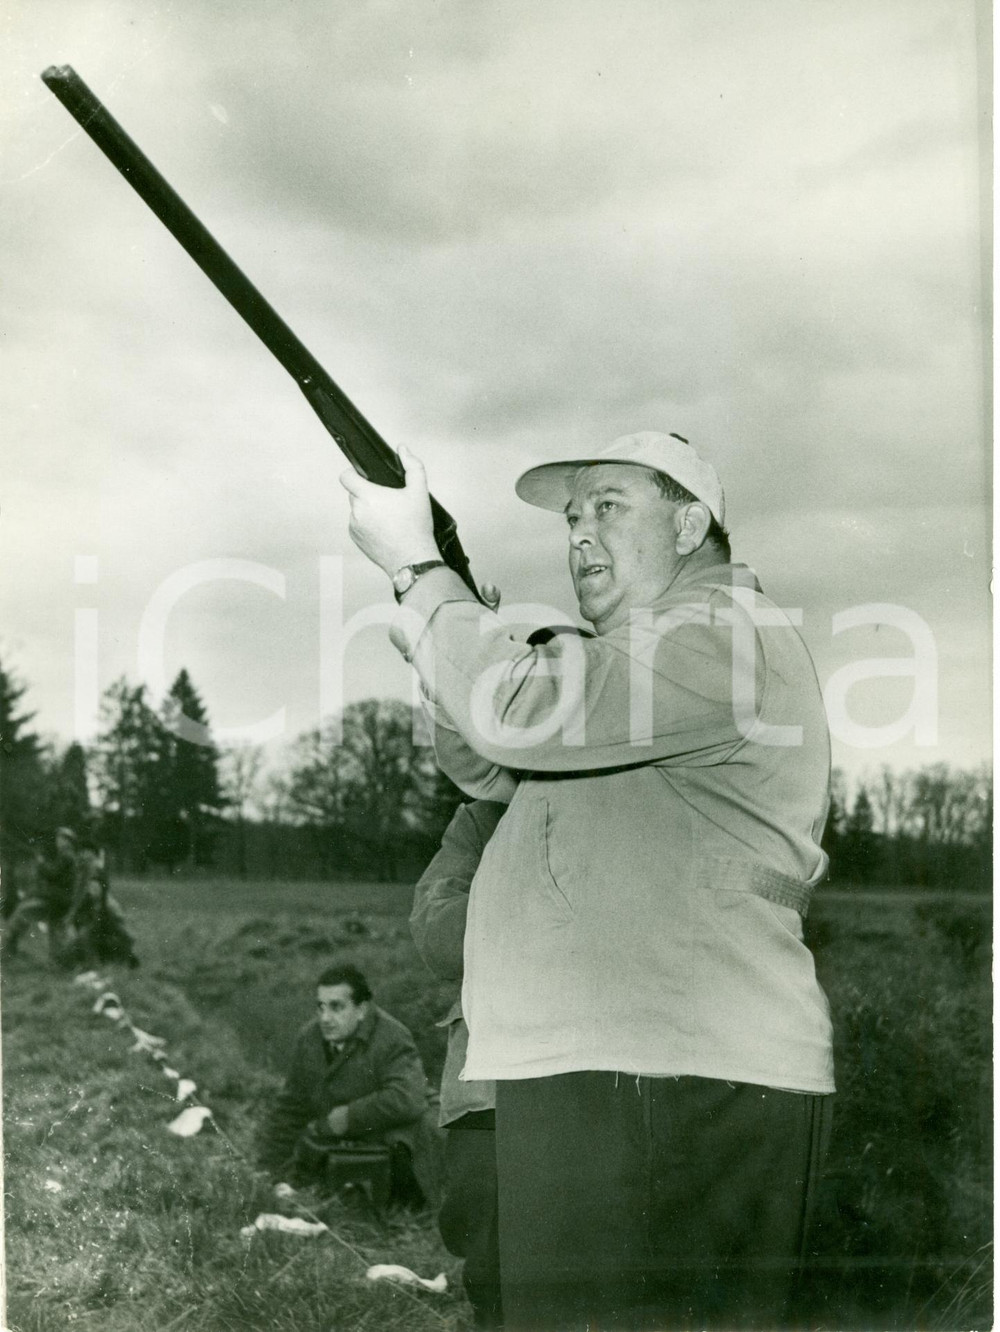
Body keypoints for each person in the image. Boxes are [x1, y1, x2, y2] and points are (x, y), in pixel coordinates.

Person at [340, 430, 835, 1330]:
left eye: (609, 506)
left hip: (672, 1074)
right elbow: (490, 768)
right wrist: (444, 639)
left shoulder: (721, 630)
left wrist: (420, 570)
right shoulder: (637, 667)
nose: (577, 534)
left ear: (691, 526)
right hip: (622, 1068)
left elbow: (518, 714)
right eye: (572, 517)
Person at [411, 798, 506, 1330]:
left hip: (604, 1067)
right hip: (490, 1073)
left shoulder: (623, 802)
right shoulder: (483, 820)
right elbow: (436, 932)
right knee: (481, 1225)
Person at [256, 963, 443, 1209]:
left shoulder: (392, 1037)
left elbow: (406, 1099)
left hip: (407, 1142)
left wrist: (346, 1118)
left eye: (336, 1007)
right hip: (353, 1142)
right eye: (321, 1007)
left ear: (361, 1009)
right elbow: (291, 1107)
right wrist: (268, 1170)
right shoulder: (309, 1039)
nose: (325, 1018)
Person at [2, 826, 81, 965]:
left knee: (22, 912)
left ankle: (7, 950)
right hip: (61, 899)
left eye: (61, 838)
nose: (58, 841)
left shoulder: (66, 855)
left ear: (68, 841)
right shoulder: (68, 855)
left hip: (57, 898)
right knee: (55, 931)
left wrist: (41, 863)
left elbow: (53, 874)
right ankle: (60, 961)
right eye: (58, 838)